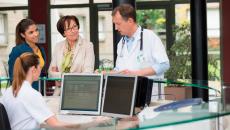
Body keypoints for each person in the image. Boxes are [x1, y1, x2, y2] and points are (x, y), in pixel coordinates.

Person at [2, 52, 109, 130]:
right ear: (34, 69)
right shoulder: (31, 94)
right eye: (40, 67)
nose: (41, 70)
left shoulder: (8, 91)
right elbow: (56, 125)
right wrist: (92, 123)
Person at [111, 4, 170, 99]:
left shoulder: (150, 37)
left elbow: (164, 64)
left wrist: (137, 73)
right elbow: (119, 70)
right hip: (127, 96)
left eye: (118, 24)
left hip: (150, 96)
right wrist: (106, 73)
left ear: (130, 21)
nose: (116, 28)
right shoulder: (121, 44)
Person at [49, 15, 95, 95]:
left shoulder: (88, 46)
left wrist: (61, 78)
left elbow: (88, 72)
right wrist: (70, 76)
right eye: (69, 29)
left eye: (75, 26)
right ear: (63, 33)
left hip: (80, 92)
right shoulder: (58, 46)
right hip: (60, 92)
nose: (73, 31)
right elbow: (51, 73)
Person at [8, 19, 46, 91]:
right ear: (23, 35)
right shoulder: (17, 50)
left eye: (36, 30)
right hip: (24, 93)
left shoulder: (41, 49)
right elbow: (13, 76)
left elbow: (42, 73)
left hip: (40, 91)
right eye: (31, 32)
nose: (36, 34)